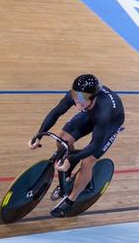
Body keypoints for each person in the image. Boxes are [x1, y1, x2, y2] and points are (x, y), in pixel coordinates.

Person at [28, 74, 125, 217]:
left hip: (110, 122)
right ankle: (69, 170)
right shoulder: (79, 96)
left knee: (87, 161)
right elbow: (56, 112)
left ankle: (71, 200)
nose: (77, 101)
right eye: (75, 95)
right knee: (62, 140)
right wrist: (39, 135)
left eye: (82, 97)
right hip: (91, 114)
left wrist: (72, 159)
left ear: (93, 97)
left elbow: (96, 144)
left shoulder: (103, 110)